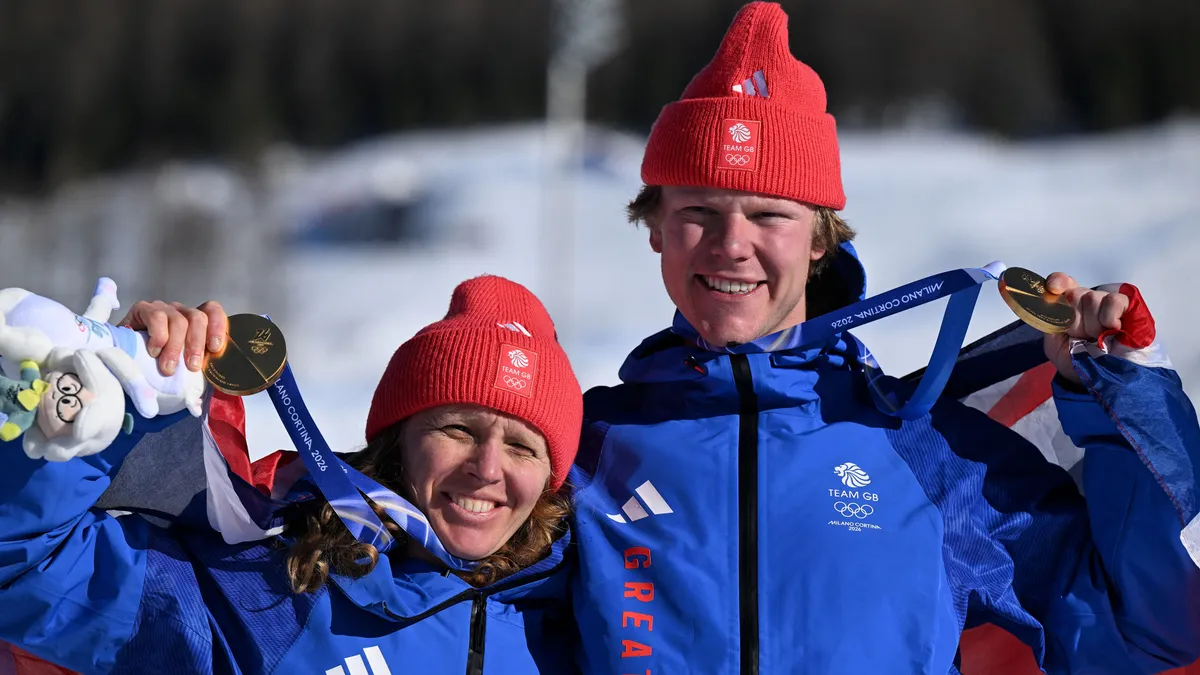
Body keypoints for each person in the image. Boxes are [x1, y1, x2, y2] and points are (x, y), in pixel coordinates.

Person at [111, 4, 1200, 673]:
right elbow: (381, 560)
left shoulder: (926, 451)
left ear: (820, 238)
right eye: (695, 211)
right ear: (655, 231)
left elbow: (1142, 630)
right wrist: (167, 399)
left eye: (768, 215)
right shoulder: (587, 450)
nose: (731, 245)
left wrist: (1110, 400)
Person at [0, 275, 583, 675]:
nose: (487, 469)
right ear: (398, 440)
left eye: (522, 449)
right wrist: (127, 407)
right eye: (458, 429)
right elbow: (24, 569)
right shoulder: (272, 594)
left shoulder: (580, 617)